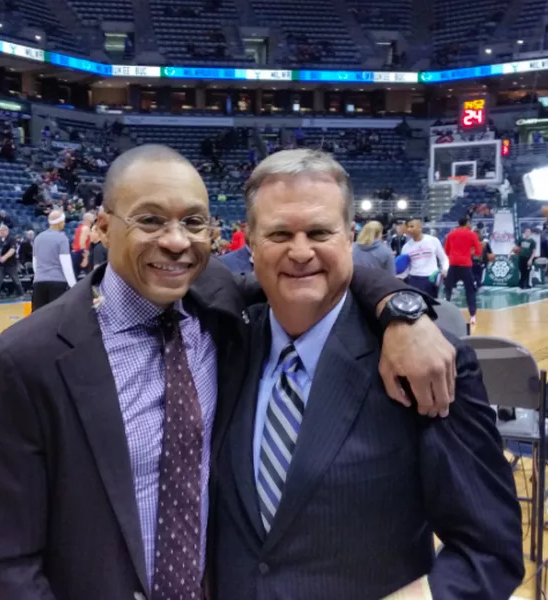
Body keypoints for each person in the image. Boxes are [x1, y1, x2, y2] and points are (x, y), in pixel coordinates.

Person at [0, 145, 457, 600]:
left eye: (194, 222)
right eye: (150, 220)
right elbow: (0, 561)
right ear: (103, 228)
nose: (176, 242)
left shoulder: (217, 304)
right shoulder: (26, 358)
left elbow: (309, 264)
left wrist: (402, 308)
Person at [211, 149, 523, 600]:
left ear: (349, 237)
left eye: (319, 231)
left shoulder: (427, 364)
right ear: (251, 243)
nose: (301, 251)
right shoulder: (223, 342)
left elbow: (490, 551)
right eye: (280, 233)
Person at [31, 210, 76, 311]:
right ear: (60, 222)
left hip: (39, 282)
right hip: (57, 282)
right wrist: (73, 285)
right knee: (56, 316)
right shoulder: (62, 238)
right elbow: (66, 264)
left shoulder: (38, 238)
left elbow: (35, 263)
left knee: (37, 316)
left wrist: (40, 275)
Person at [444, 217, 481, 326]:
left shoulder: (451, 234)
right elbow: (478, 251)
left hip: (453, 264)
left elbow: (446, 251)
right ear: (467, 224)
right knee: (470, 290)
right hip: (465, 265)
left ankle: (445, 313)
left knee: (448, 289)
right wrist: (469, 253)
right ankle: (472, 316)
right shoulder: (471, 234)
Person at [401, 217, 448, 297]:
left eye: (412, 226)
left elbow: (444, 259)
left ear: (420, 227)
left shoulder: (433, 240)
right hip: (414, 280)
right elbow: (405, 269)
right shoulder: (406, 247)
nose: (409, 229)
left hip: (431, 279)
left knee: (432, 307)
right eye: (408, 227)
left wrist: (445, 269)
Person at [0, 225, 24, 302]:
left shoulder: (12, 239)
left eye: (1, 230)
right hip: (2, 265)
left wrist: (5, 257)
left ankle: (21, 294)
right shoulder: (0, 240)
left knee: (15, 279)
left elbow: (12, 250)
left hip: (11, 264)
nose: (0, 232)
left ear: (6, 230)